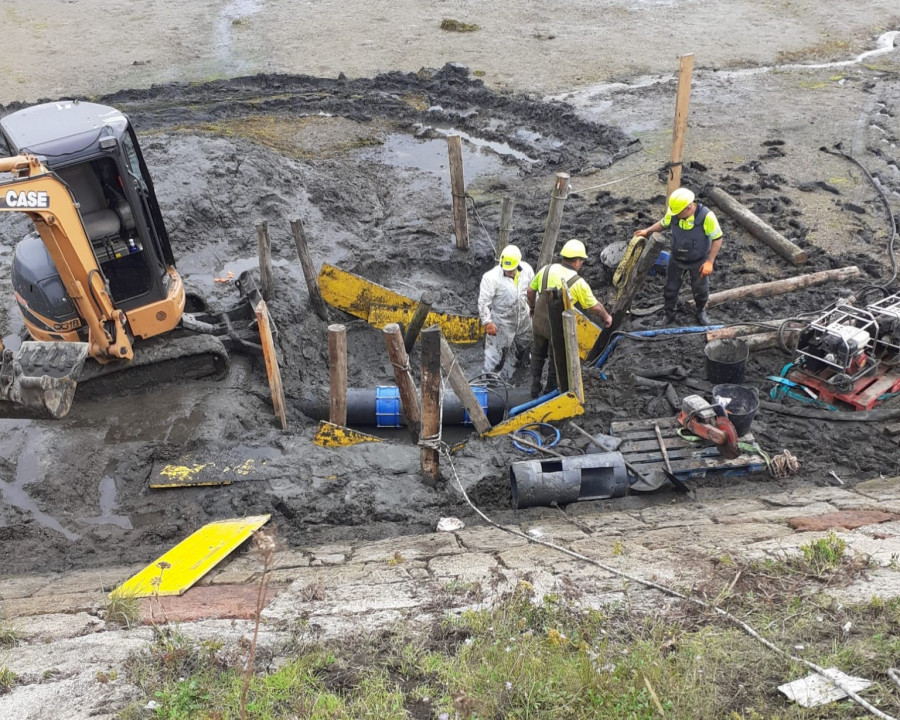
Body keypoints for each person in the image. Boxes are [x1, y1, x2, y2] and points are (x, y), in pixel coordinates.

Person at [526, 239, 613, 398]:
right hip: (556, 326)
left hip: (538, 320)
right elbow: (594, 307)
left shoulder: (546, 269)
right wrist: (607, 317)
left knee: (538, 353)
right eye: (582, 261)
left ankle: (534, 388)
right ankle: (549, 393)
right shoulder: (578, 282)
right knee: (555, 359)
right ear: (578, 261)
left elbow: (530, 291)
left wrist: (532, 308)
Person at [634, 187, 723, 326]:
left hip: (698, 260)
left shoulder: (706, 217)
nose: (674, 215)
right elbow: (664, 223)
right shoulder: (675, 213)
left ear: (688, 208)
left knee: (700, 289)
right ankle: (669, 314)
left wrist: (710, 262)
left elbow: (718, 238)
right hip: (676, 258)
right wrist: (647, 231)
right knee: (670, 288)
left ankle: (701, 311)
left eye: (678, 213)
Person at [477, 244, 535, 378]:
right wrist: (487, 322)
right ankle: (489, 379)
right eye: (506, 269)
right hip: (502, 320)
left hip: (523, 316)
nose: (508, 272)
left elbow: (533, 290)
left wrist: (533, 307)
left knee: (526, 345)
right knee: (495, 355)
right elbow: (483, 302)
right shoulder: (491, 278)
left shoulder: (526, 270)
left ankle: (523, 368)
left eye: (511, 270)